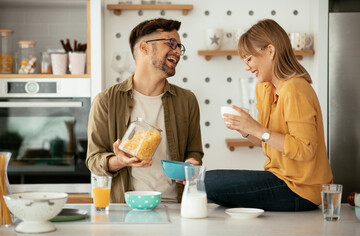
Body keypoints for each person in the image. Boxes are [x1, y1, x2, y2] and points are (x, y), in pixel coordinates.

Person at [205, 19, 333, 211]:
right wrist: (245, 129)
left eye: (249, 59)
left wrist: (256, 128)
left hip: (302, 189)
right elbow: (267, 141)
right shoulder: (265, 89)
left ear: (270, 51)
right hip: (280, 178)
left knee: (207, 182)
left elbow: (305, 149)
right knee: (206, 183)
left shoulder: (295, 88)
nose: (247, 67)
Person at [86, 18, 203, 203]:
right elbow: (93, 160)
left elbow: (194, 152)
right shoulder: (106, 101)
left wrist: (191, 164)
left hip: (175, 204)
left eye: (180, 46)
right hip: (126, 205)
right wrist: (120, 161)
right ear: (144, 48)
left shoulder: (187, 100)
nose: (178, 51)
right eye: (171, 43)